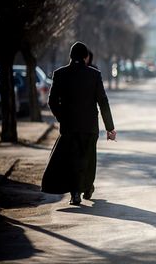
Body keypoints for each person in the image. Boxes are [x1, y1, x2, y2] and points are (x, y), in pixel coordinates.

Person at [41, 41, 116, 205]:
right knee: (88, 158)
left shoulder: (60, 74)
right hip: (90, 126)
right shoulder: (94, 74)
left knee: (72, 159)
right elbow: (103, 101)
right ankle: (87, 186)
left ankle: (75, 193)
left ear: (70, 56)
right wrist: (110, 128)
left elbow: (52, 101)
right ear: (85, 57)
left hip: (69, 126)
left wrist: (62, 118)